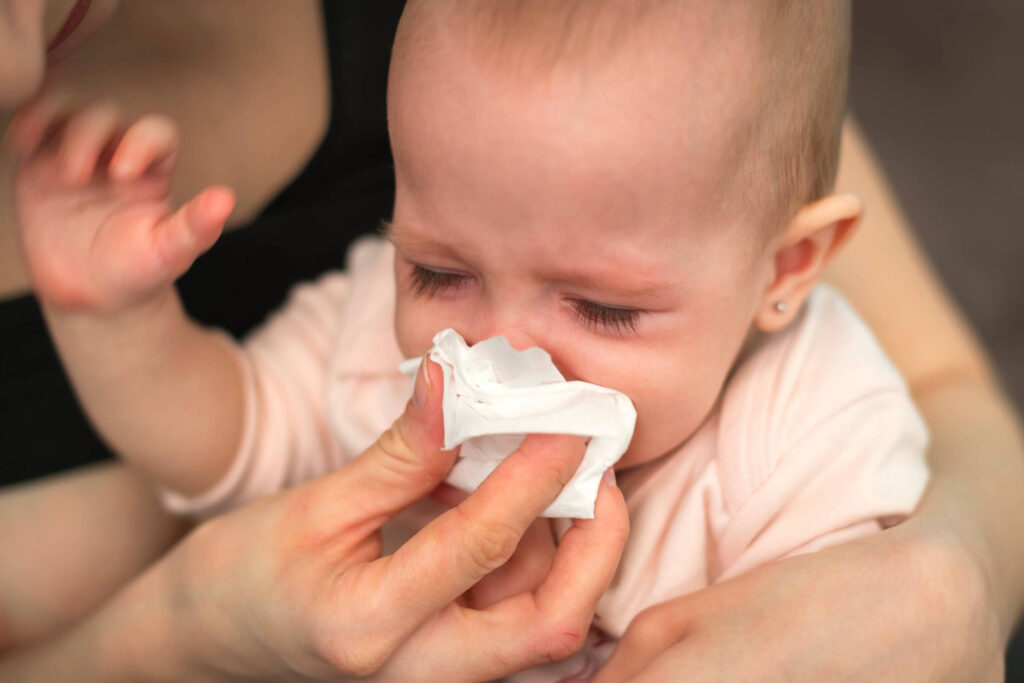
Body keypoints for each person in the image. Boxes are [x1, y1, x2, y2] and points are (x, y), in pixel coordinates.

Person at [1, 0, 1022, 680]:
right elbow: (223, 435)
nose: (501, 352)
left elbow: (869, 628)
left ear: (784, 269)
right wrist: (115, 318)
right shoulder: (375, 335)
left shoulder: (810, 426)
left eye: (604, 309)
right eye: (437, 271)